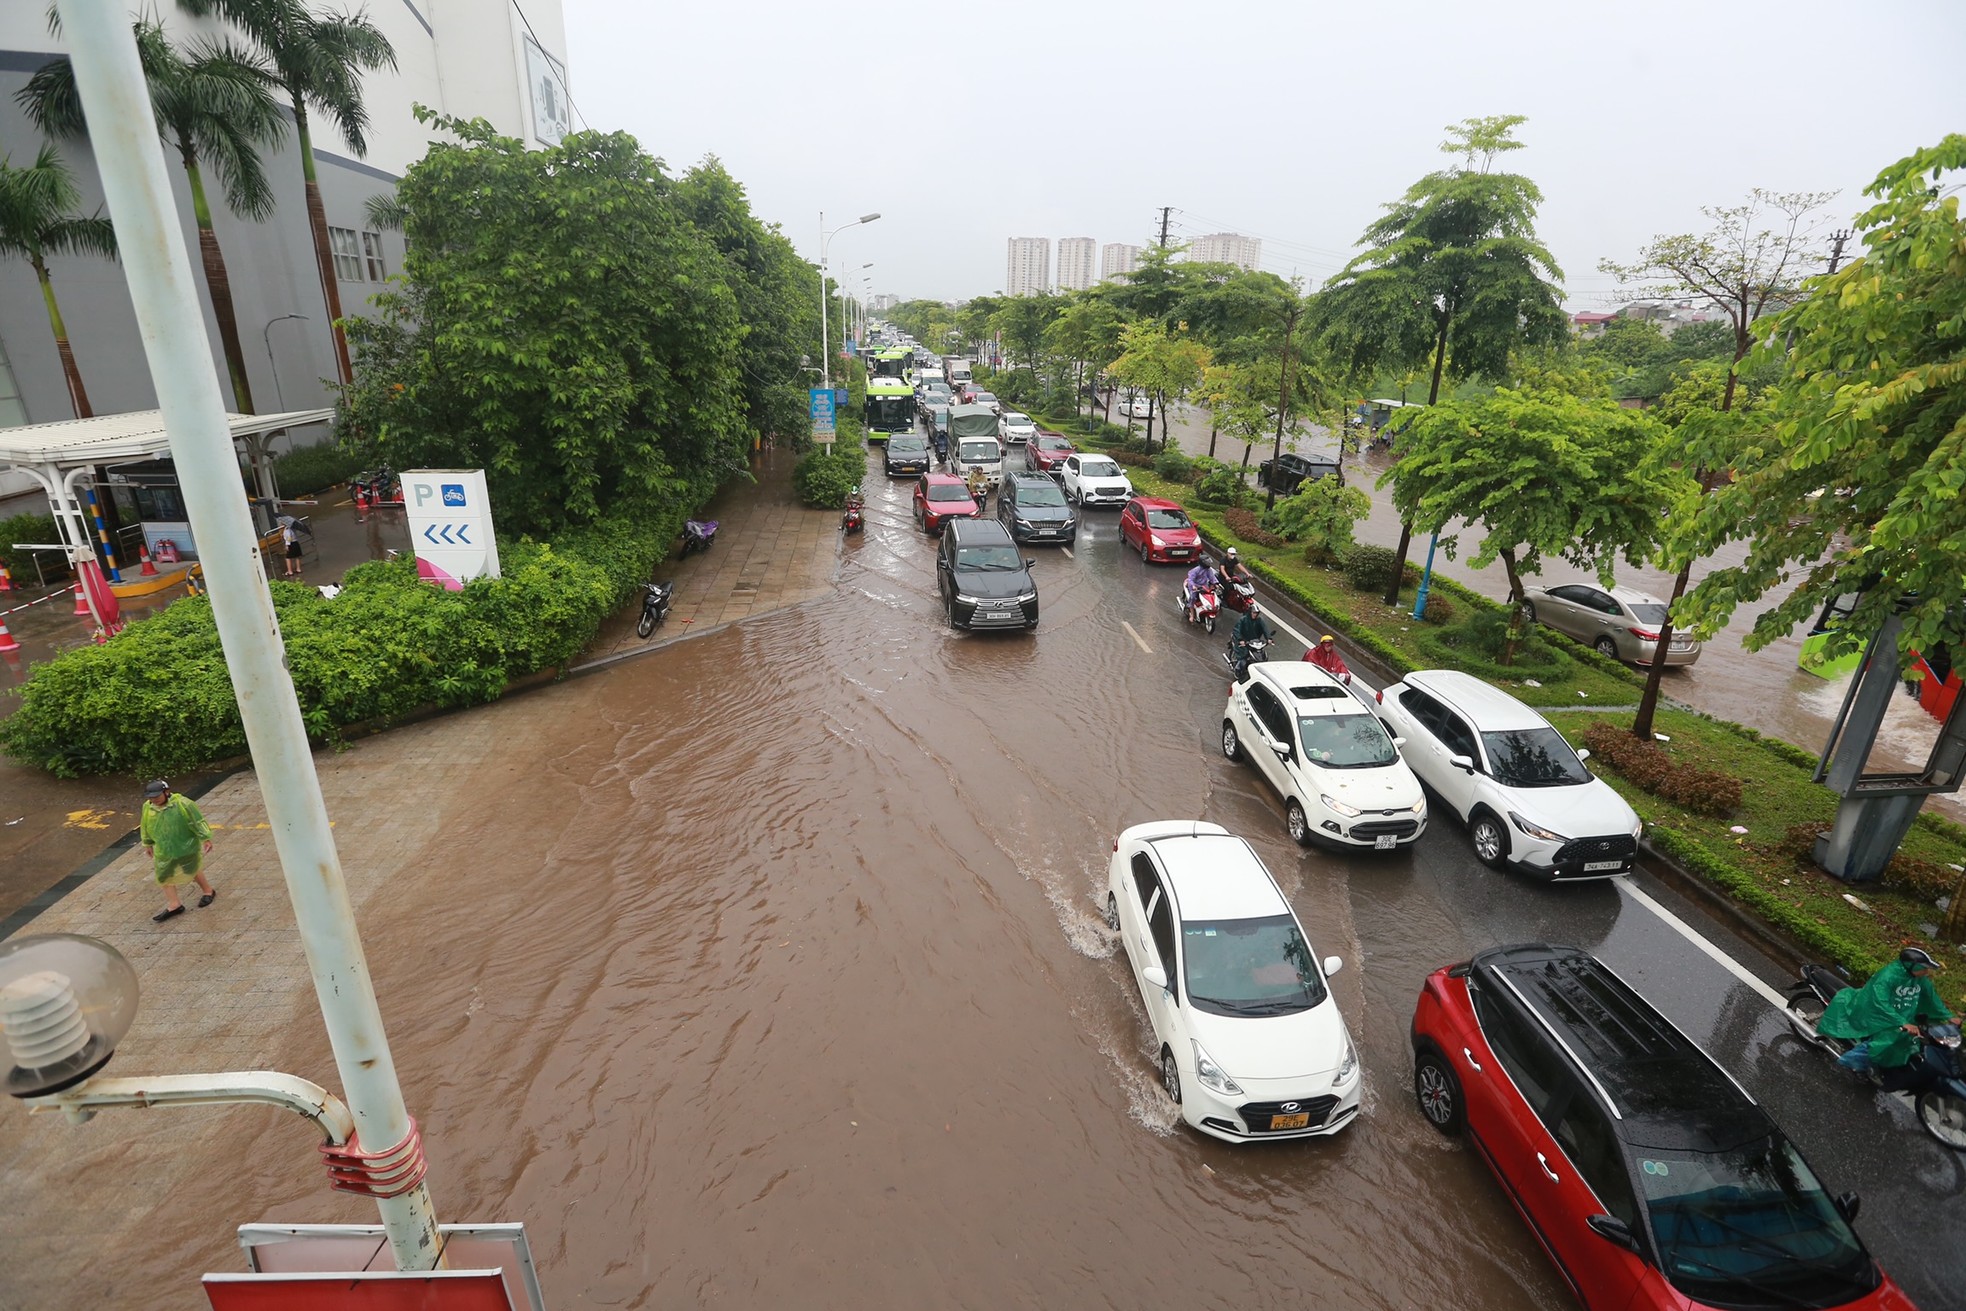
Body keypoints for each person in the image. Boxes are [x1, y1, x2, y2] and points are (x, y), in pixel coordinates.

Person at [1820, 947, 1955, 1075]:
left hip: (1898, 1012)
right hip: (1873, 1010)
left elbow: (1931, 997)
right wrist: (1902, 1022)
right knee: (1889, 1039)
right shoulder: (1888, 976)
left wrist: (1947, 1016)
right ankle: (1854, 1061)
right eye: (1924, 969)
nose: (1926, 972)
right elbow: (1879, 1002)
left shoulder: (1919, 978)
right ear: (1911, 966)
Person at [139, 778, 215, 922]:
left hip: (184, 844)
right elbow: (145, 824)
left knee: (191, 868)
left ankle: (208, 891)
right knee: (164, 874)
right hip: (163, 848)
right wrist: (147, 843)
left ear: (166, 792)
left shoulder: (183, 804)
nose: (153, 800)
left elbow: (197, 821)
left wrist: (206, 838)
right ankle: (174, 904)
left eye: (156, 796)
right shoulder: (148, 807)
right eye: (150, 797)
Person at [1230, 601, 1274, 681]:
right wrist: (1241, 640)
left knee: (1261, 654)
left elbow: (1265, 629)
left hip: (1255, 642)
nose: (1255, 615)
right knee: (1243, 657)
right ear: (1250, 612)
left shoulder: (1259, 620)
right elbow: (1237, 630)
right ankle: (1238, 669)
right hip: (1244, 641)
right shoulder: (1243, 620)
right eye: (1253, 613)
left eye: (1256, 613)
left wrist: (1269, 638)